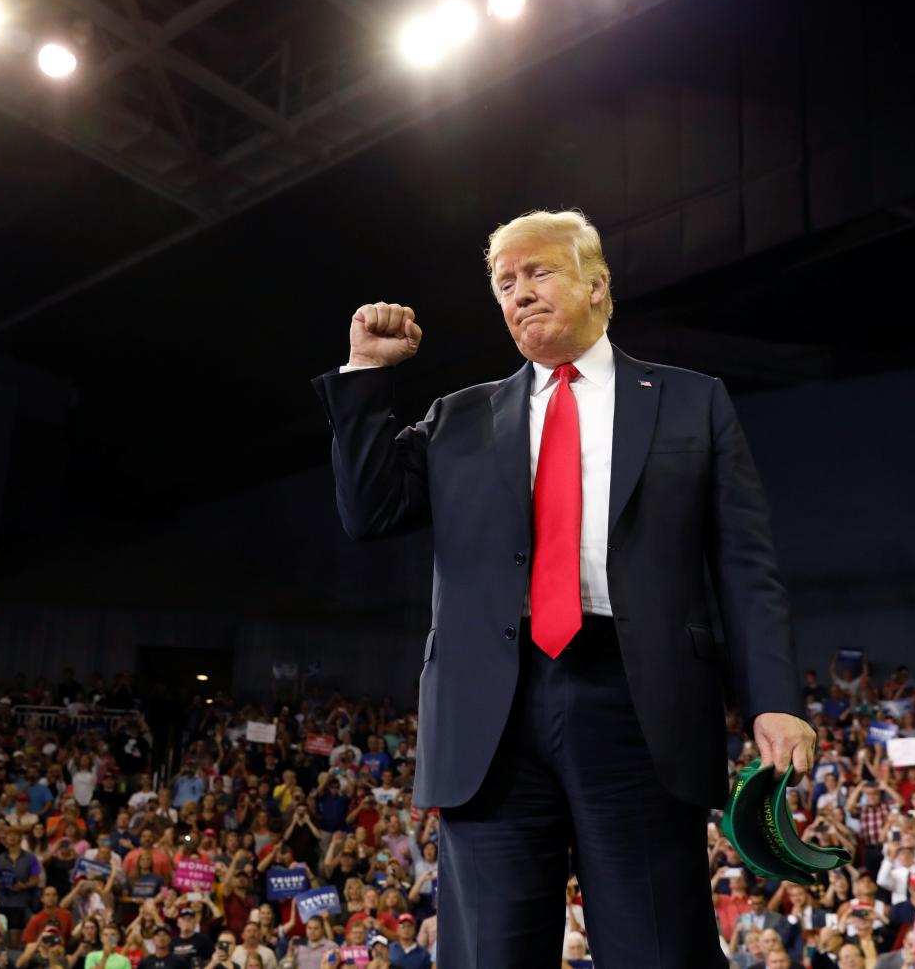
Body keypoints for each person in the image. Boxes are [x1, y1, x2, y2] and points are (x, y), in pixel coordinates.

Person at [311, 208, 812, 967]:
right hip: (490, 717)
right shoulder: (458, 416)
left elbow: (747, 564)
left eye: (537, 272)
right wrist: (367, 373)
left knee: (658, 948)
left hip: (640, 704)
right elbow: (369, 510)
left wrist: (774, 698)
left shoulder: (691, 401)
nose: (519, 293)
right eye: (504, 283)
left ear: (597, 284)